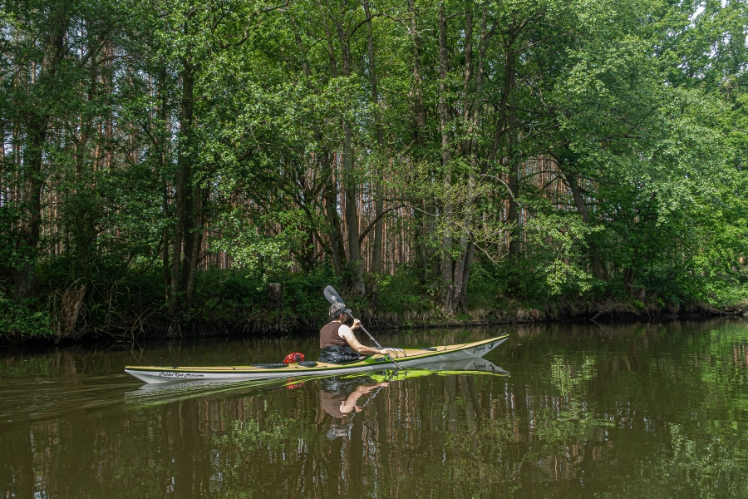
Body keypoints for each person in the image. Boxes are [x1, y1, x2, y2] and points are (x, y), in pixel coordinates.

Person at [319, 302, 394, 363]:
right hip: (340, 361)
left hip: (324, 360)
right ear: (341, 315)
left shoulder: (324, 328)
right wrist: (380, 352)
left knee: (361, 354)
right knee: (368, 355)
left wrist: (352, 327)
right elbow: (359, 348)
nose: (346, 315)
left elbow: (337, 337)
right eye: (345, 313)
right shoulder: (344, 328)